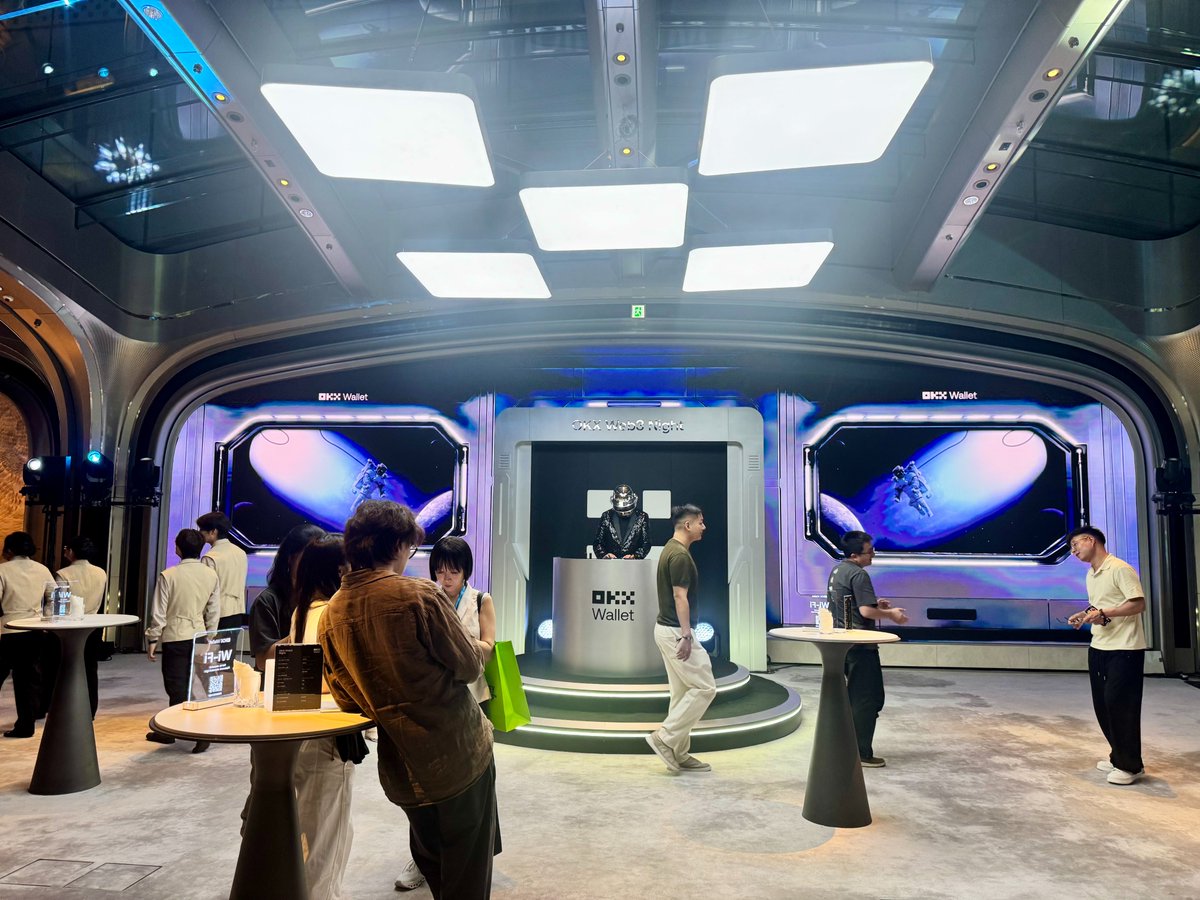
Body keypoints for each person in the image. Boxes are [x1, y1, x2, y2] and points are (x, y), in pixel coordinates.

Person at [319, 500, 499, 899]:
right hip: (459, 755)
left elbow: (346, 698)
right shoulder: (418, 595)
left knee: (433, 863)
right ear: (397, 545)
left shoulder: (331, 614)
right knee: (466, 874)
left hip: (402, 768)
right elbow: (470, 665)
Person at [394, 535, 497, 893]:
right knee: (426, 787)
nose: (446, 577)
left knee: (470, 787)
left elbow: (488, 647)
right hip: (433, 704)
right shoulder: (426, 598)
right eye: (440, 570)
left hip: (471, 703)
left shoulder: (480, 599)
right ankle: (423, 858)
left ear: (465, 571)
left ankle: (468, 857)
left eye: (452, 571)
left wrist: (452, 646)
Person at [288, 534, 360, 900]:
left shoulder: (302, 612)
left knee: (313, 830)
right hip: (331, 734)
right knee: (327, 839)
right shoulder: (333, 613)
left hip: (302, 730)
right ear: (338, 570)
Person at [1066, 525, 1148, 785]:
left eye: (1075, 545)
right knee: (1103, 705)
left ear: (1090, 540)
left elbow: (1138, 603)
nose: (1073, 551)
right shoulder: (1092, 574)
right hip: (1100, 645)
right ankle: (1118, 756)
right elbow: (1100, 606)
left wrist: (1104, 613)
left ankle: (1130, 766)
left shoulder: (1119, 568)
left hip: (1125, 648)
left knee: (1121, 705)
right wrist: (1085, 615)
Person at [826, 530, 909, 768]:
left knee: (857, 698)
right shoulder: (859, 574)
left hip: (844, 644)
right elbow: (865, 612)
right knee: (867, 700)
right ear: (855, 555)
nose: (873, 554)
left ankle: (848, 748)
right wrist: (890, 614)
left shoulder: (839, 570)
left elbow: (851, 605)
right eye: (869, 551)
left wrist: (876, 604)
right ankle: (861, 753)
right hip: (861, 646)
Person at [645, 504, 716, 774]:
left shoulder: (670, 549)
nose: (703, 527)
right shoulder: (679, 556)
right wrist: (686, 634)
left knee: (683, 693)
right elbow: (679, 596)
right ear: (688, 525)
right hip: (676, 631)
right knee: (705, 688)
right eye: (700, 522)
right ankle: (665, 738)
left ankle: (679, 752)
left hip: (668, 630)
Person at [145, 528, 220, 753]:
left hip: (176, 636)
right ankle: (181, 730)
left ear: (177, 548)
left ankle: (181, 730)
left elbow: (159, 611)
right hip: (199, 634)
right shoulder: (210, 574)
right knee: (195, 685)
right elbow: (214, 609)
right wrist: (210, 634)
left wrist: (153, 638)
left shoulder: (168, 575)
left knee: (176, 686)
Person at [248, 523, 326, 671]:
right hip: (279, 682)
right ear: (290, 558)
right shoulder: (267, 601)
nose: (313, 567)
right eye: (307, 560)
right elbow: (263, 661)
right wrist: (300, 633)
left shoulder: (327, 597)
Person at [0, 532, 55, 738]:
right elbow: (55, 597)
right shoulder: (42, 570)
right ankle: (26, 725)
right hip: (35, 629)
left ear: (9, 549)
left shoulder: (3, 570)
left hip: (8, 629)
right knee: (28, 681)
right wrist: (46, 618)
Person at [55, 536, 108, 717]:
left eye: (67, 548)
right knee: (90, 667)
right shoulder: (101, 572)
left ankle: (68, 709)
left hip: (70, 627)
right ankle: (90, 709)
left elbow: (59, 606)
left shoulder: (63, 574)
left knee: (68, 668)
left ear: (71, 551)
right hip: (93, 624)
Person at [196, 511, 249, 632]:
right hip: (237, 613)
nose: (200, 533)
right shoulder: (241, 553)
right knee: (231, 645)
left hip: (217, 616)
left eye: (202, 529)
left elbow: (206, 592)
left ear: (213, 532)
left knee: (212, 645)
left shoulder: (210, 557)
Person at [593, 483, 652, 560]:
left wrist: (635, 556)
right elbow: (598, 542)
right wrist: (605, 555)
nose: (623, 512)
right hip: (610, 564)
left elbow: (646, 543)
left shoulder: (642, 517)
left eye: (626, 509)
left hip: (634, 565)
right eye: (620, 509)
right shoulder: (606, 516)